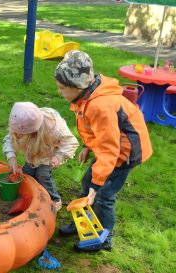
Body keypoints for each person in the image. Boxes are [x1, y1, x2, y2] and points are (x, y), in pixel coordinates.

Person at [54, 50, 152, 252]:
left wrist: (96, 186)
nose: (59, 92)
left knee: (104, 194)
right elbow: (96, 130)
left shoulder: (100, 105)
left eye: (62, 88)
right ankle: (83, 220)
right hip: (110, 148)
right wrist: (88, 147)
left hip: (124, 154)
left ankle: (104, 237)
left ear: (78, 86)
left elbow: (109, 149)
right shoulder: (88, 94)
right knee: (87, 183)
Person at [2, 102, 79, 212]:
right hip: (33, 153)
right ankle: (35, 194)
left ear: (32, 132)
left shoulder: (53, 128)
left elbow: (71, 142)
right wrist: (11, 158)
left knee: (42, 174)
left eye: (21, 134)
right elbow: (9, 139)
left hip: (49, 153)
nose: (18, 136)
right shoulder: (19, 124)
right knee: (28, 173)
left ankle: (55, 199)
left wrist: (59, 157)